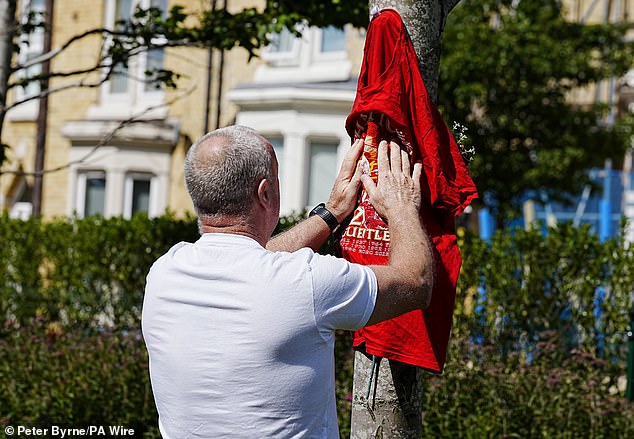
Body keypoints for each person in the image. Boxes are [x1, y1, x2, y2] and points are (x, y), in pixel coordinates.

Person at [142, 125, 434, 438]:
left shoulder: (164, 272)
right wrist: (401, 205)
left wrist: (331, 214)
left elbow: (253, 260)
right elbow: (416, 280)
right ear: (264, 192)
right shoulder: (305, 281)